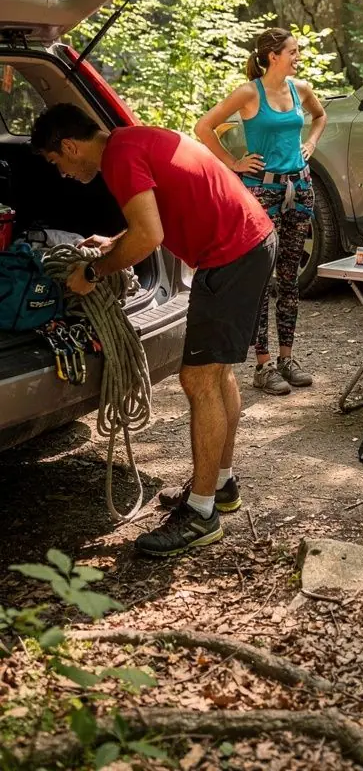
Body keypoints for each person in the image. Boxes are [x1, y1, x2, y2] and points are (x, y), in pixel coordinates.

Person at [30, 104, 276, 558]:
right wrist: (113, 242)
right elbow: (151, 217)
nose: (61, 173)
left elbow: (149, 237)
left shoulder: (118, 159)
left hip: (232, 253)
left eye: (56, 161)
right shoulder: (130, 140)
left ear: (68, 146)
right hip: (249, 240)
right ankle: (220, 486)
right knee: (216, 374)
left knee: (199, 379)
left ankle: (201, 514)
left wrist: (93, 271)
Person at [195, 28, 327, 396]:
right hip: (262, 192)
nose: (298, 57)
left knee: (289, 279)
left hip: (299, 189)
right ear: (273, 56)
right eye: (293, 51)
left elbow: (320, 117)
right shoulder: (249, 93)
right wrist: (233, 162)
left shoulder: (300, 89)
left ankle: (287, 359)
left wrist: (310, 143)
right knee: (260, 279)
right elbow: (203, 127)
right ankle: (263, 364)